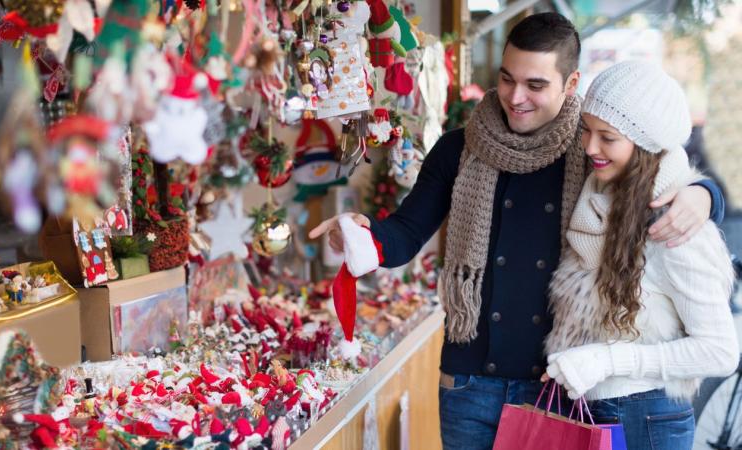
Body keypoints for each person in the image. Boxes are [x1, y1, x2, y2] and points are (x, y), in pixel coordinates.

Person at [309, 13, 725, 449]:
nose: (515, 97)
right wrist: (366, 236)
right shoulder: (459, 148)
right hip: (470, 384)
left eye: (536, 85)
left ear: (571, 82)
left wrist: (704, 194)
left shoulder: (591, 151)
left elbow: (660, 169)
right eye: (507, 79)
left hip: (557, 388)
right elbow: (406, 233)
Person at [542, 61, 739, 450]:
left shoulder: (674, 224)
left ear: (646, 144)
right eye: (587, 131)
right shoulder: (602, 197)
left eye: (607, 137)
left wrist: (606, 360)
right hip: (597, 409)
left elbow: (720, 352)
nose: (590, 147)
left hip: (645, 417)